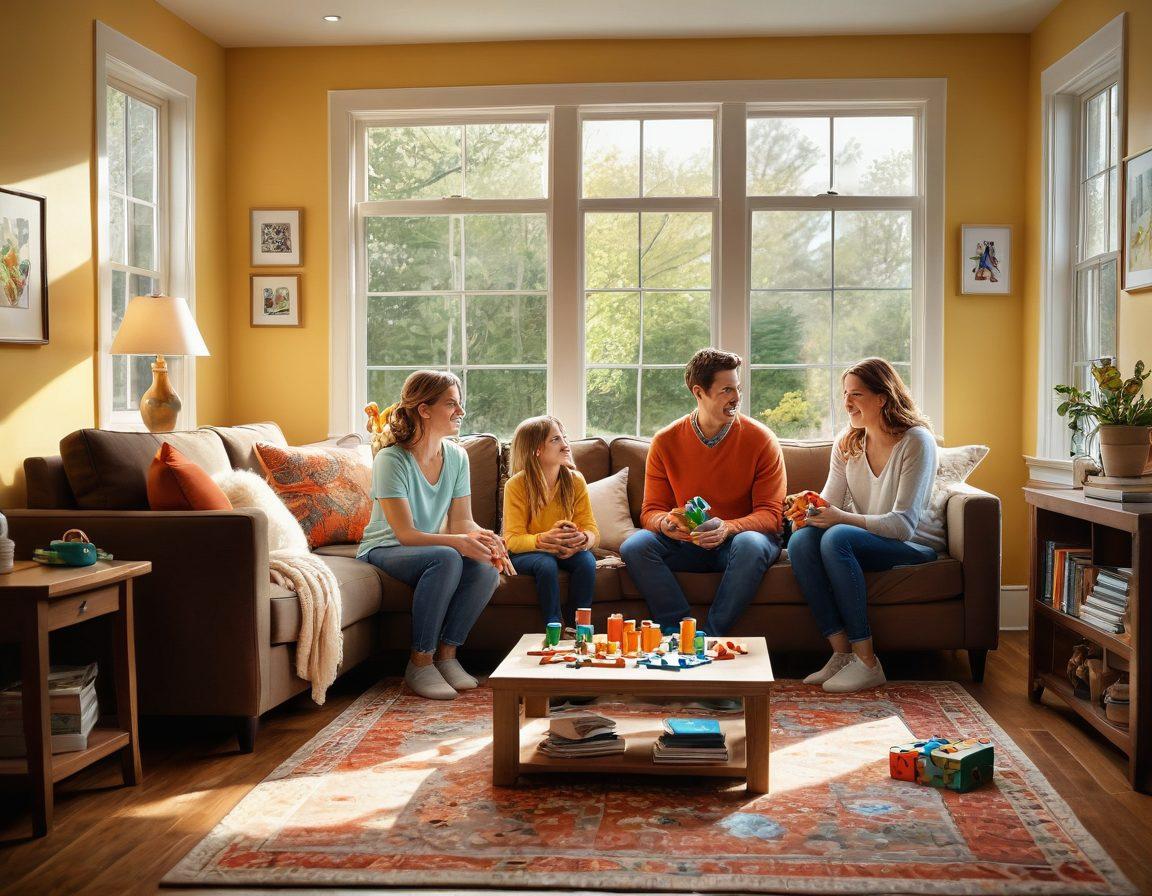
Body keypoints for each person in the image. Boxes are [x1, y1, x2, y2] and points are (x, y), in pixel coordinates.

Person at [788, 357, 944, 694]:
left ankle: (869, 663)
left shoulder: (916, 442)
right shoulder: (849, 441)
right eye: (845, 394)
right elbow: (829, 503)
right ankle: (842, 654)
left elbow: (902, 526)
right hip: (867, 540)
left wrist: (838, 518)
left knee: (837, 537)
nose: (846, 403)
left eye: (856, 395)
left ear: (882, 398)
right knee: (801, 542)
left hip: (915, 545)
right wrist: (808, 510)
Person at [356, 370, 509, 700]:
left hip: (426, 546)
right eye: (452, 404)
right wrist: (460, 543)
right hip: (385, 546)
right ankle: (420, 661)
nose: (461, 412)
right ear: (424, 409)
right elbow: (406, 533)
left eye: (460, 404)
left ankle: (447, 656)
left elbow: (462, 523)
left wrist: (487, 538)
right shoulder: (391, 460)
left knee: (485, 566)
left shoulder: (457, 456)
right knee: (447, 556)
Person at [620, 348, 785, 637]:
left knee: (750, 544)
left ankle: (710, 637)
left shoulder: (761, 440)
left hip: (738, 543)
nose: (736, 397)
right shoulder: (665, 441)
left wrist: (727, 528)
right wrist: (665, 524)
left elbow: (771, 516)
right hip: (688, 544)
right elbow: (651, 510)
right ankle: (680, 631)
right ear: (699, 392)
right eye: (726, 390)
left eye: (738, 388)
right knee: (635, 546)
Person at [503, 416, 599, 627]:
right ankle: (554, 627)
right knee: (545, 564)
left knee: (586, 561)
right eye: (556, 440)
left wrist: (583, 539)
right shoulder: (516, 485)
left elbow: (591, 527)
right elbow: (511, 540)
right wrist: (543, 540)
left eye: (564, 437)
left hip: (563, 550)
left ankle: (579, 627)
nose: (566, 445)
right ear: (536, 449)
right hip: (527, 554)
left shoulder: (575, 480)